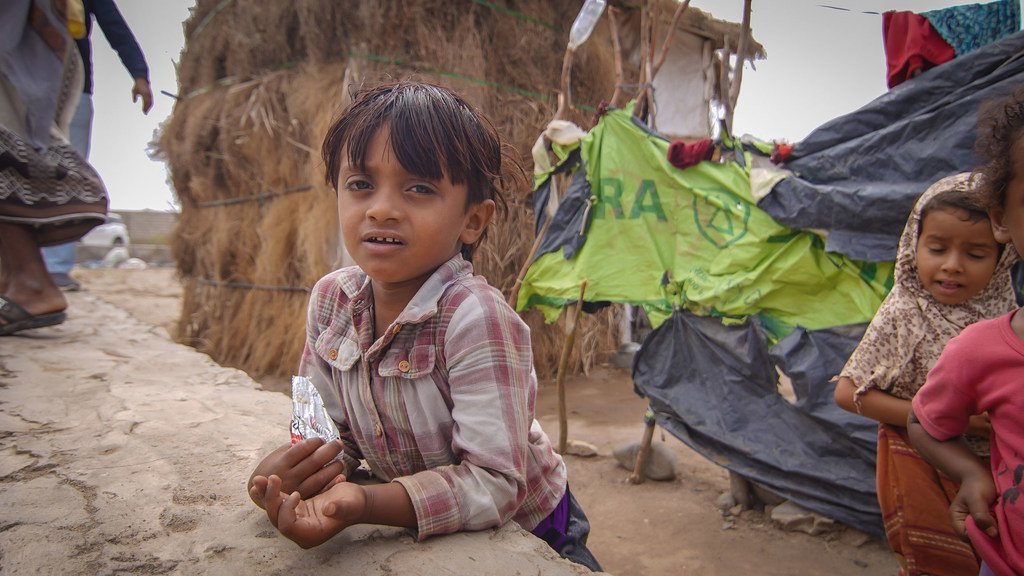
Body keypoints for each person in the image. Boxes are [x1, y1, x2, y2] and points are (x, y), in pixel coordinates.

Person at [247, 81, 602, 571]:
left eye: (419, 188)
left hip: (536, 530)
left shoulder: (478, 319)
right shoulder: (330, 301)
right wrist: (296, 475)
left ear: (473, 221)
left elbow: (495, 485)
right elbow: (330, 434)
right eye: (360, 185)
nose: (382, 208)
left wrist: (368, 503)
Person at [833, 172, 1018, 575]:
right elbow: (848, 393)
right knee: (937, 559)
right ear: (912, 245)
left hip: (999, 472)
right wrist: (949, 420)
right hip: (921, 463)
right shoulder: (904, 311)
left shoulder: (1006, 313)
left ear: (1002, 257)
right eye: (937, 248)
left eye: (975, 255)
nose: (952, 266)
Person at [907, 89, 1024, 576]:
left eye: (969, 257)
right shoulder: (979, 348)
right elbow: (920, 419)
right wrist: (972, 473)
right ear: (1001, 219)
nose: (952, 268)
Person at [1, 0, 108, 336]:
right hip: (30, 44)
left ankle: (31, 282)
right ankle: (14, 279)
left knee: (12, 155)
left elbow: (112, 22)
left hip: (21, 44)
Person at [42, 0, 152, 292]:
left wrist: (139, 75)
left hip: (74, 92)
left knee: (68, 176)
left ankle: (55, 268)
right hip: (23, 89)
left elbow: (116, 29)